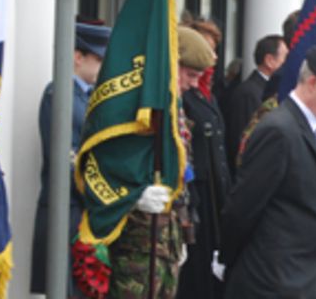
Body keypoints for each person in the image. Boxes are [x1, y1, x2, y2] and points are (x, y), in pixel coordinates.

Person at [221, 44, 316, 299]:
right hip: (271, 282)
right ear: (312, 83)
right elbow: (243, 207)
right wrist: (228, 260)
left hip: (306, 279)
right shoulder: (279, 131)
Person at [109, 26, 215, 299]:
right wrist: (134, 197)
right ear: (170, 63)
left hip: (166, 237)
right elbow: (110, 165)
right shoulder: (136, 106)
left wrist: (182, 228)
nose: (194, 84)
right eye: (190, 75)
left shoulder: (175, 108)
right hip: (135, 238)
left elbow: (181, 177)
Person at [30, 20, 111, 296]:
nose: (103, 67)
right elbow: (66, 156)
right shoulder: (59, 95)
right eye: (98, 59)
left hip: (84, 210)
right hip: (66, 208)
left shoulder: (89, 98)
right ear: (78, 57)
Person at [178, 19, 232, 299]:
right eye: (204, 49)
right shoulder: (184, 95)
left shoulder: (205, 94)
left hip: (213, 198)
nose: (211, 58)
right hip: (194, 197)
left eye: (212, 51)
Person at [223, 34, 286, 173]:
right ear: (270, 60)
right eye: (285, 58)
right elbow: (243, 141)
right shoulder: (248, 93)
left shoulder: (264, 89)